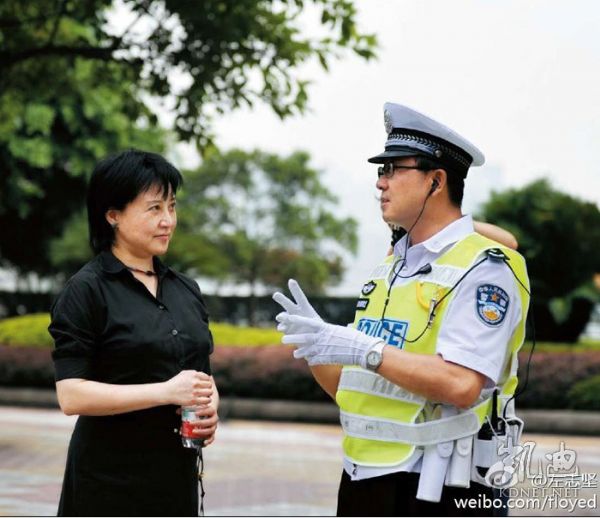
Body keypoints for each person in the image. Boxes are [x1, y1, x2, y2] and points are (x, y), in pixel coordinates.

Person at [273, 103, 530, 516]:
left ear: (436, 181)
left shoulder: (484, 269)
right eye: (381, 170)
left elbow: (462, 384)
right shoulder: (390, 268)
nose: (380, 182)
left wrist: (365, 349)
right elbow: (355, 391)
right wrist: (318, 348)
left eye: (393, 169)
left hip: (441, 486)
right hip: (364, 477)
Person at [49, 149, 218, 516]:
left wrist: (210, 406)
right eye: (154, 209)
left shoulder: (185, 289)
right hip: (109, 484)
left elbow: (201, 373)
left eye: (171, 207)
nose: (168, 221)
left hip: (175, 481)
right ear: (113, 215)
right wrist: (165, 392)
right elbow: (71, 395)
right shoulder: (87, 290)